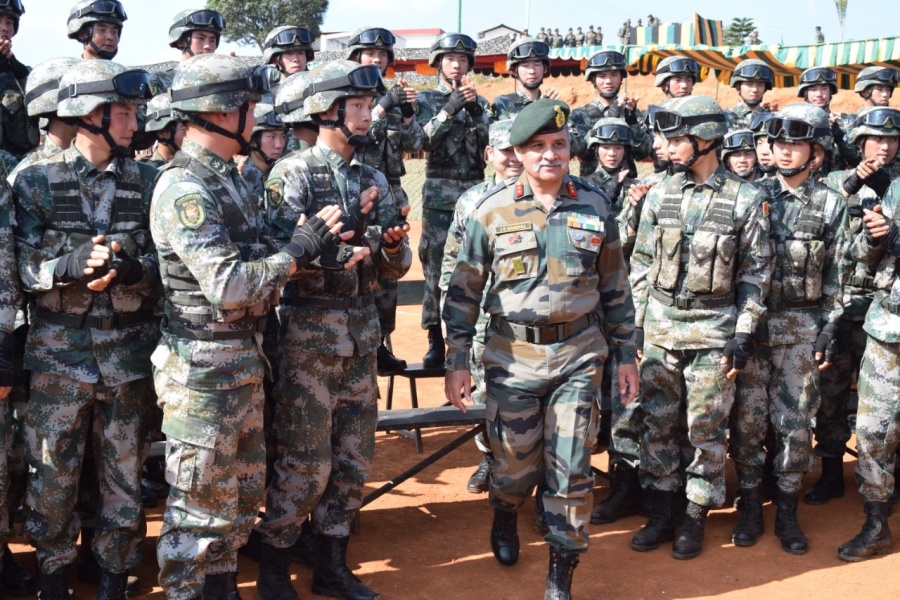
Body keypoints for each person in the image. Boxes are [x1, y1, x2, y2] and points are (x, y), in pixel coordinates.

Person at [151, 53, 356, 600]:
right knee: (198, 511)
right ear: (220, 111)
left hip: (242, 360)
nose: (256, 115)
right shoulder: (185, 188)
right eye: (248, 106)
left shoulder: (234, 180)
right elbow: (230, 286)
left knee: (239, 501)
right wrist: (296, 251)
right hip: (203, 370)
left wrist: (324, 253)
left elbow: (263, 258)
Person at [443, 98, 639, 600]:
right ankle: (505, 510)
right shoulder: (491, 211)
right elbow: (464, 290)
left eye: (559, 145)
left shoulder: (595, 205)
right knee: (514, 467)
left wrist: (626, 354)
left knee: (572, 468)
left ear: (570, 148)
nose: (550, 155)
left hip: (579, 354)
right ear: (519, 154)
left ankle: (560, 574)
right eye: (538, 148)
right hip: (512, 358)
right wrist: (456, 360)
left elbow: (615, 284)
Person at [254, 60, 411, 600]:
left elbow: (397, 264)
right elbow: (280, 256)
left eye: (370, 107)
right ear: (328, 112)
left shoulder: (373, 178)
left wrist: (388, 245)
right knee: (303, 458)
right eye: (360, 107)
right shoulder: (291, 174)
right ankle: (274, 566)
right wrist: (348, 247)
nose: (369, 116)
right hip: (308, 339)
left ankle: (331, 565)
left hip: (361, 336)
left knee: (352, 457)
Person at [13, 59, 160, 599]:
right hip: (58, 360)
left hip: (128, 359)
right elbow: (18, 266)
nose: (132, 123)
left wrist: (137, 269)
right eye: (121, 112)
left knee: (124, 481)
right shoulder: (34, 182)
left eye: (134, 112)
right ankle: (53, 579)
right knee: (52, 478)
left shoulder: (150, 181)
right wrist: (66, 266)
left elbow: (172, 264)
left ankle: (113, 580)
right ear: (86, 117)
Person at [628, 95, 771, 560]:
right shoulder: (659, 192)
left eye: (677, 137)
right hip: (661, 330)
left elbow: (755, 275)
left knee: (705, 429)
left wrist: (743, 333)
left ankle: (694, 516)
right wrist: (634, 327)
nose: (668, 146)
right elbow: (642, 264)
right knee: (659, 424)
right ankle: (661, 512)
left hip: (713, 332)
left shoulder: (746, 199)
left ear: (705, 139)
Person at [730, 103, 846, 554]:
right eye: (777, 143)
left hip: (801, 331)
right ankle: (750, 510)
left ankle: (787, 514)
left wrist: (829, 326)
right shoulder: (749, 197)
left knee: (796, 424)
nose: (783, 151)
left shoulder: (830, 204)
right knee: (747, 423)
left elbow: (839, 273)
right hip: (754, 331)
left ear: (815, 152)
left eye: (794, 144)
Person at [811, 107, 900, 506]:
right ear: (860, 142)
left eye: (892, 139)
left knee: (884, 403)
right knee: (830, 395)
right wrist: (850, 184)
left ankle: (888, 478)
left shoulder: (898, 185)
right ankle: (831, 474)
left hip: (882, 310)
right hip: (839, 306)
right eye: (876, 139)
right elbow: (811, 213)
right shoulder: (834, 181)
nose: (884, 146)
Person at [438, 119, 523, 494]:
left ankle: (523, 473)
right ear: (489, 155)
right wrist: (450, 318)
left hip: (525, 320)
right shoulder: (472, 201)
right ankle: (489, 454)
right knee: (487, 393)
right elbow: (451, 263)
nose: (513, 159)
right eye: (505, 151)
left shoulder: (540, 196)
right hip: (483, 316)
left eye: (519, 149)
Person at [347, 26, 425, 372]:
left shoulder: (396, 97)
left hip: (391, 190)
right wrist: (379, 107)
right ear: (357, 58)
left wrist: (407, 113)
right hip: (357, 190)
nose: (376, 59)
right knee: (360, 263)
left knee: (390, 269)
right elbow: (355, 137)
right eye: (369, 54)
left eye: (381, 55)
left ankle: (380, 344)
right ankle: (358, 344)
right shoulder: (347, 95)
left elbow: (415, 144)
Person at [836, 159, 900, 562]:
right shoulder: (897, 190)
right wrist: (877, 237)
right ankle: (877, 525)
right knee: (874, 431)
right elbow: (859, 254)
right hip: (889, 328)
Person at [415, 32, 490, 367]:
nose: (457, 65)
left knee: (475, 265)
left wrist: (475, 111)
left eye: (462, 60)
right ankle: (435, 340)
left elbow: (496, 144)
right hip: (439, 197)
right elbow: (421, 140)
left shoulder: (482, 104)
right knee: (434, 267)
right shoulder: (428, 100)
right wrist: (449, 110)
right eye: (450, 60)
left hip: (475, 192)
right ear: (438, 64)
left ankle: (471, 339)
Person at [569, 50, 649, 177]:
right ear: (593, 79)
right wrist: (612, 114)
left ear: (621, 77)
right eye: (602, 76)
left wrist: (633, 123)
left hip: (627, 189)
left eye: (614, 74)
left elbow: (643, 153)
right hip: (592, 190)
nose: (608, 81)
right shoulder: (579, 116)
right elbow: (579, 151)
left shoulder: (631, 112)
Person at [798, 66, 860, 170]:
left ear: (831, 91)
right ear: (805, 93)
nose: (819, 94)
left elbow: (856, 161)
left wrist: (839, 137)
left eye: (824, 88)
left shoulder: (845, 123)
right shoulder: (796, 123)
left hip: (835, 183)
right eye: (813, 89)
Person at [491, 37, 559, 121]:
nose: (532, 71)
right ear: (514, 71)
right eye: (525, 65)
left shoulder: (552, 105)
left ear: (544, 68)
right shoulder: (504, 104)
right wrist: (541, 110)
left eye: (537, 64)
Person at [241, 103, 286, 209]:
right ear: (253, 141)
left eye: (283, 137)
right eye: (271, 137)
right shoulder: (241, 176)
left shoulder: (283, 172)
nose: (279, 145)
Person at [727, 59, 774, 130]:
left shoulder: (772, 118)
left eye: (760, 85)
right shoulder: (725, 118)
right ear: (738, 87)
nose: (755, 89)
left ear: (765, 88)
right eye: (749, 84)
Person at [142, 93, 185, 169]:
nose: (191, 134)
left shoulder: (195, 166)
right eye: (184, 130)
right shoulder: (150, 173)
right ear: (162, 133)